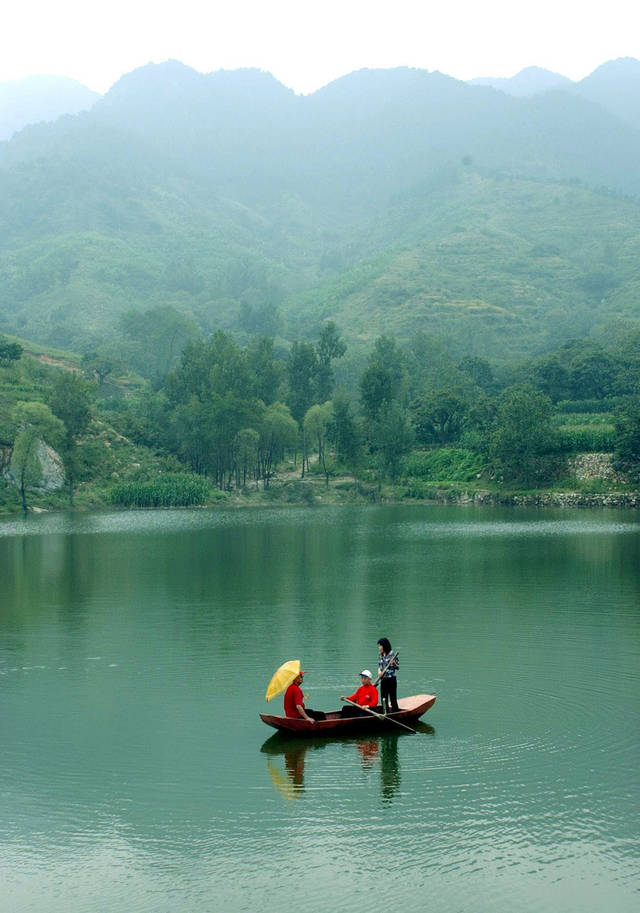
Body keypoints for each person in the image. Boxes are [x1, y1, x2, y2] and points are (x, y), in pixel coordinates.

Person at [375, 637, 399, 713]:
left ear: (384, 646)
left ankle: (395, 713)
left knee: (393, 698)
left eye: (380, 646)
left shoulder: (392, 654)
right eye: (379, 646)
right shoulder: (380, 655)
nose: (379, 648)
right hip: (383, 679)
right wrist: (379, 672)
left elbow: (397, 667)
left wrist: (394, 663)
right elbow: (379, 666)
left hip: (391, 679)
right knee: (383, 698)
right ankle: (386, 712)